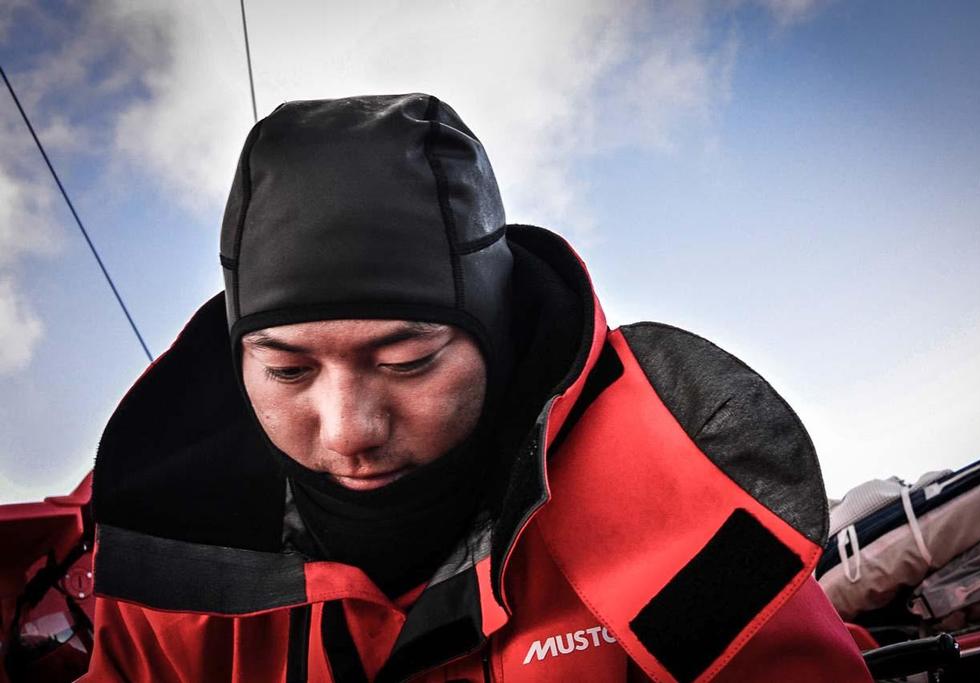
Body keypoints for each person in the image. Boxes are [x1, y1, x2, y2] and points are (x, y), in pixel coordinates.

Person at [82, 94, 871, 682]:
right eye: (289, 371)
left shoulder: (670, 485)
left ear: (494, 338)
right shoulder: (153, 572)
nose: (348, 428)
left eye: (408, 361)